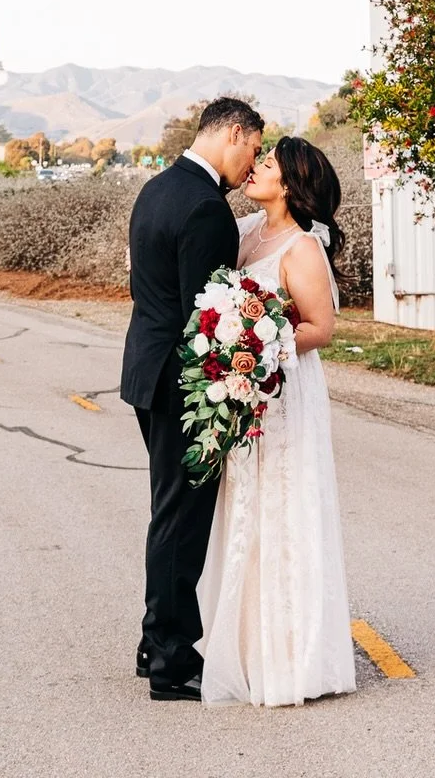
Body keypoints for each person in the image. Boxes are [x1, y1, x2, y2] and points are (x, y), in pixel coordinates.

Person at [197, 135, 357, 707]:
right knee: (243, 508)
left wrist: (263, 347)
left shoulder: (302, 249)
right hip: (242, 391)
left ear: (289, 183)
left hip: (283, 392)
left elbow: (320, 327)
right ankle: (237, 649)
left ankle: (288, 657)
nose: (256, 168)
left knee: (282, 509)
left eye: (266, 163)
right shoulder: (244, 233)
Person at [121, 98, 263, 702]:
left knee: (167, 513)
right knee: (183, 522)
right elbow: (206, 318)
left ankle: (156, 641)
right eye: (253, 147)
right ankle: (173, 661)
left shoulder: (156, 189)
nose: (252, 160)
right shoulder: (207, 208)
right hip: (182, 385)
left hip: (144, 372)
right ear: (234, 134)